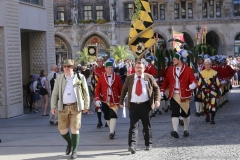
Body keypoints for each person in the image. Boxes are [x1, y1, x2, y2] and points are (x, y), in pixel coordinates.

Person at [51, 59, 89, 159]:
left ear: (73, 67)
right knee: (62, 130)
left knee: (75, 129)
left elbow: (86, 92)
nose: (67, 68)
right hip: (62, 107)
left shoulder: (80, 77)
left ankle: (75, 151)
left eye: (69, 66)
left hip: (76, 106)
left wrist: (86, 105)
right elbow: (54, 93)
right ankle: (70, 142)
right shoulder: (59, 78)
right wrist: (53, 106)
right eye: (65, 67)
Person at [119, 61, 160, 154]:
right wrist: (121, 102)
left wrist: (157, 100)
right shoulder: (129, 78)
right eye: (137, 67)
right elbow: (124, 90)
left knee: (146, 126)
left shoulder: (149, 77)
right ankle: (132, 145)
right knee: (133, 126)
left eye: (141, 68)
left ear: (144, 69)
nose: (139, 69)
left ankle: (148, 144)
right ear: (134, 68)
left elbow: (156, 88)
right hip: (133, 105)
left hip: (146, 105)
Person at [160, 50, 197, 138]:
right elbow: (166, 81)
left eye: (175, 59)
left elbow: (193, 79)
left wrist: (193, 84)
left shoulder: (188, 69)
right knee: (174, 112)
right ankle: (175, 131)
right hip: (174, 94)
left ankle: (186, 129)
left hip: (184, 94)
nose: (173, 61)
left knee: (185, 113)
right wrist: (162, 90)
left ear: (180, 60)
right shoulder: (170, 69)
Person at [95, 60, 123, 139]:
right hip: (104, 99)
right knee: (106, 116)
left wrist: (122, 99)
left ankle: (111, 133)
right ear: (106, 69)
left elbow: (121, 88)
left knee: (113, 114)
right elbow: (98, 89)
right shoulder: (101, 77)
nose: (110, 69)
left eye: (111, 67)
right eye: (109, 67)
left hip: (114, 99)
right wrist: (97, 99)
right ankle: (112, 129)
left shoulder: (117, 77)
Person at [196, 58, 222, 124]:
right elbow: (199, 83)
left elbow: (218, 83)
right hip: (204, 92)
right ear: (204, 65)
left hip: (212, 91)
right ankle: (207, 116)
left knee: (213, 105)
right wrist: (198, 92)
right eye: (206, 64)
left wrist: (219, 92)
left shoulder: (215, 73)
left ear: (210, 65)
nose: (207, 66)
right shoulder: (201, 73)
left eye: (208, 64)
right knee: (205, 106)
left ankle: (212, 119)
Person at [91, 56, 107, 128]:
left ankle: (107, 120)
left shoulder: (106, 69)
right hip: (97, 90)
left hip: (105, 90)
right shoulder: (94, 70)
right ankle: (99, 121)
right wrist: (92, 91)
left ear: (103, 62)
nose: (99, 62)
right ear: (96, 62)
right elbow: (93, 81)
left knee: (106, 106)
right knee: (98, 106)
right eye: (98, 61)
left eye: (101, 61)